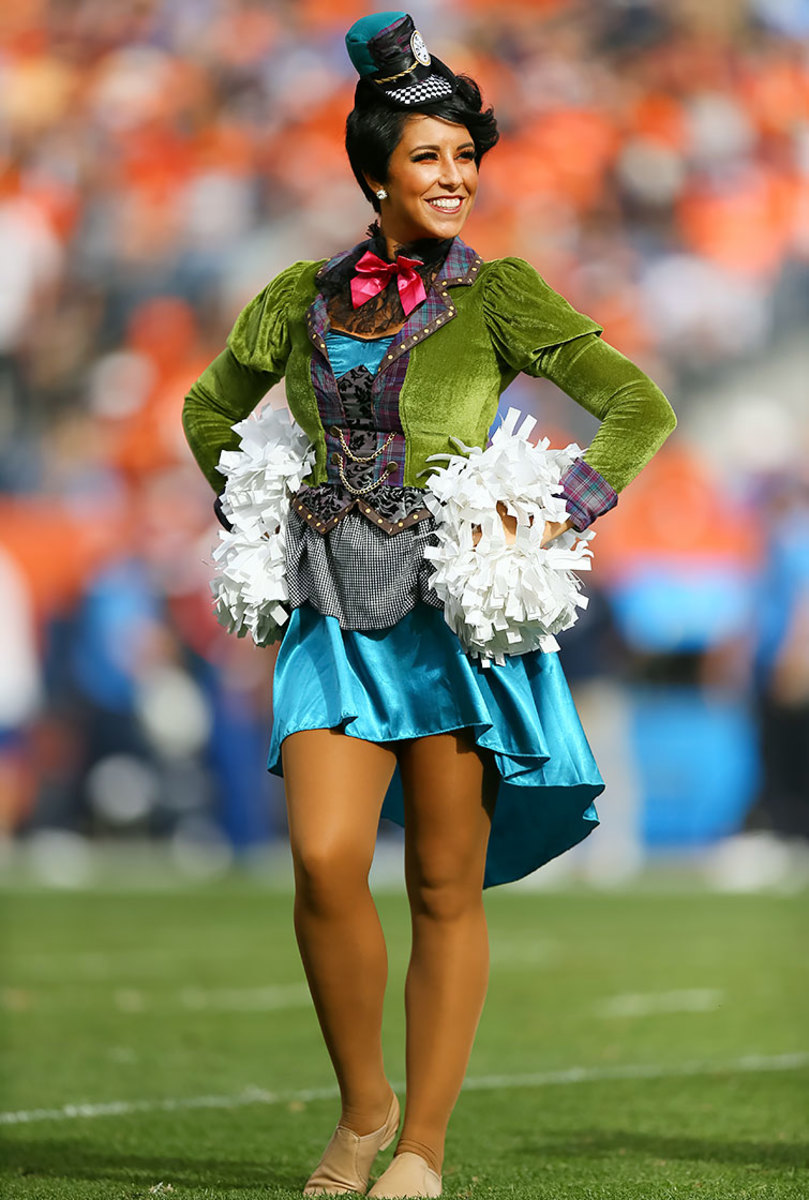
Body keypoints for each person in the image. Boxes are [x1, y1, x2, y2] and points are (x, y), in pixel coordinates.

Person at [182, 12, 676, 1197]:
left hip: (449, 623)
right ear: (373, 172)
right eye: (428, 158)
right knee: (320, 860)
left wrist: (555, 509)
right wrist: (249, 502)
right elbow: (208, 410)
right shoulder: (295, 298)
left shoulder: (498, 293)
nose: (455, 178)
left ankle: (421, 1150)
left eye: (465, 157)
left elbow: (636, 405)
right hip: (326, 620)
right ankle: (364, 1109)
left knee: (442, 888)